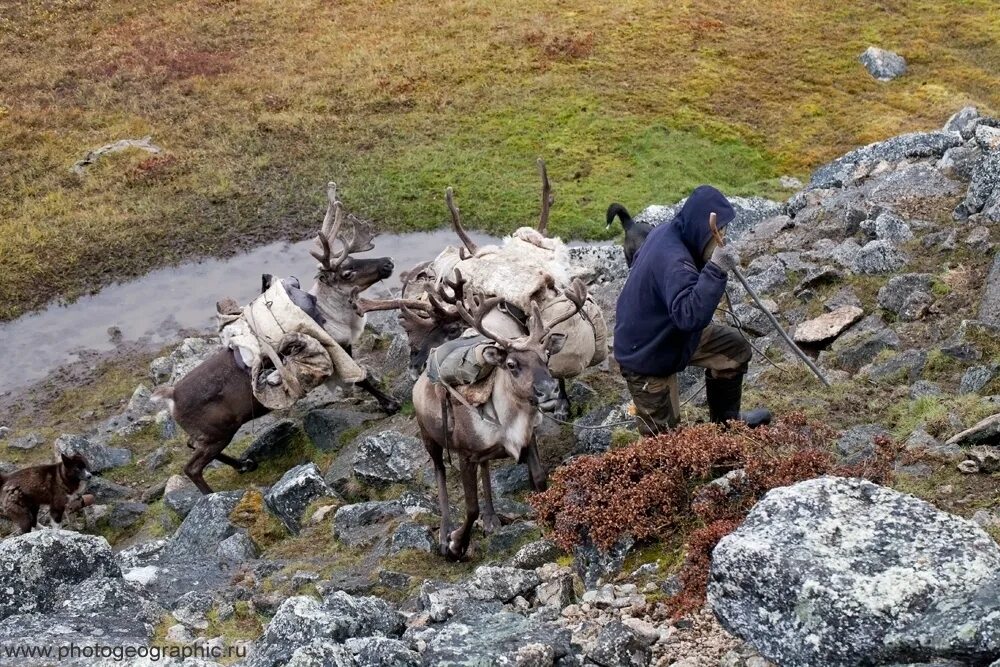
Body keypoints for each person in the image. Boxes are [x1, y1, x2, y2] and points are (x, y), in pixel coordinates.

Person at [613, 185, 771, 435]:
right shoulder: (676, 261)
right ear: (702, 228)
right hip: (646, 354)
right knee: (667, 446)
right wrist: (716, 269)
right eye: (719, 232)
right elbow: (689, 316)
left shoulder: (672, 232)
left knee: (734, 349)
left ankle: (726, 426)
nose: (723, 238)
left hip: (671, 335)